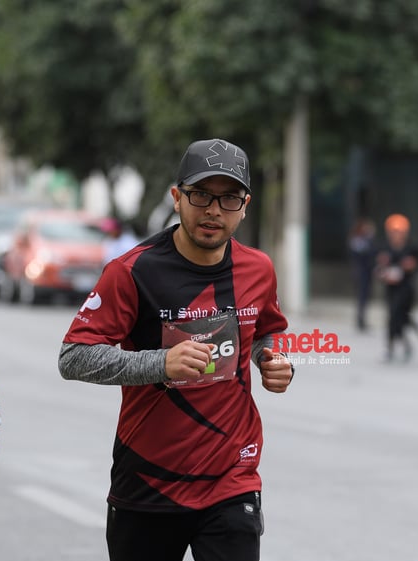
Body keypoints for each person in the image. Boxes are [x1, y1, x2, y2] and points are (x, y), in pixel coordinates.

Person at [58, 138, 294, 561]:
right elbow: (73, 356)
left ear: (245, 205)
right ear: (177, 197)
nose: (213, 210)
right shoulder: (132, 271)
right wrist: (160, 362)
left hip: (232, 480)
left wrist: (270, 360)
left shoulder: (258, 269)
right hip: (148, 481)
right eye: (201, 195)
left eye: (228, 198)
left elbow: (266, 332)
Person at [375, 213, 418, 363]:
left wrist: (413, 265)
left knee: (400, 317)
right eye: (393, 232)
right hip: (391, 288)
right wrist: (382, 272)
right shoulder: (384, 249)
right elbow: (376, 269)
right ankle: (394, 346)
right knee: (393, 318)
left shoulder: (412, 248)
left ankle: (404, 343)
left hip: (407, 289)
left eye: (399, 232)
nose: (396, 235)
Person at [348, 217, 376, 331]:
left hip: (366, 272)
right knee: (361, 297)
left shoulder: (366, 241)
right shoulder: (357, 241)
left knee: (365, 297)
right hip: (360, 273)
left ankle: (362, 319)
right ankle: (360, 320)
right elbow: (362, 254)